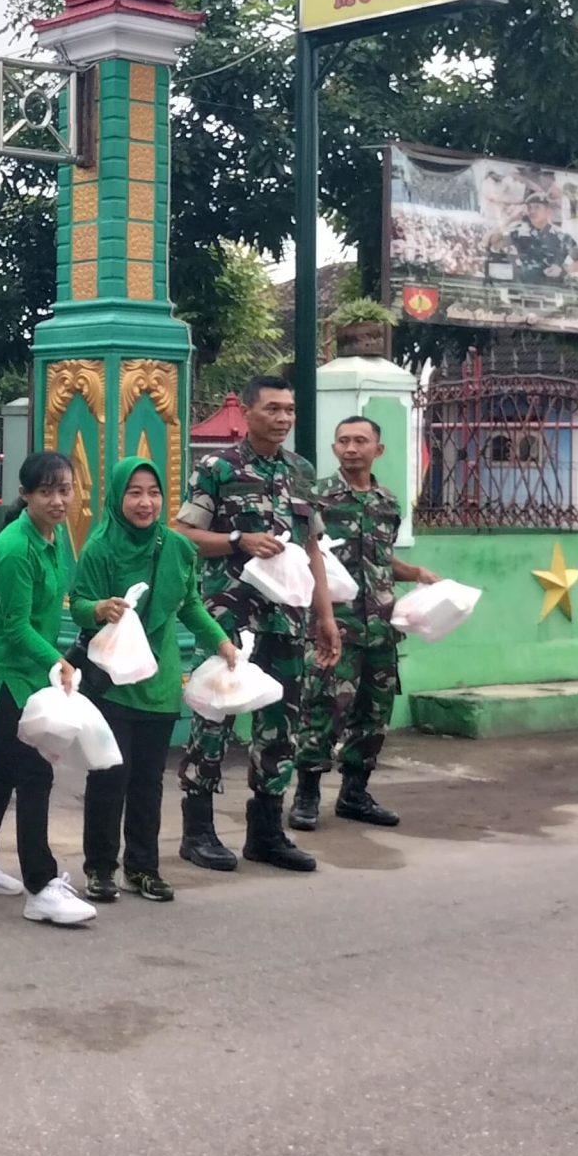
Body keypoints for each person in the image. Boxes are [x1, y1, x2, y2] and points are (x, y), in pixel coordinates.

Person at [173, 374, 342, 874]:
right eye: (273, 409)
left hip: (286, 619)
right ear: (248, 412)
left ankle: (266, 832)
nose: (284, 418)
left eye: (289, 409)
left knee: (281, 721)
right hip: (230, 616)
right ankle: (197, 830)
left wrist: (325, 616)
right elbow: (182, 532)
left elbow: (313, 548)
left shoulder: (301, 471)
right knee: (215, 716)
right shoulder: (218, 468)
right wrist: (236, 541)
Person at [69, 456, 238, 903]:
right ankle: (101, 867)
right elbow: (78, 604)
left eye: (154, 493)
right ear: (117, 496)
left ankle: (143, 868)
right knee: (110, 774)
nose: (146, 503)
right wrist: (98, 608)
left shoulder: (178, 548)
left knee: (147, 780)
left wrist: (222, 643)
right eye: (135, 493)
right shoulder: (100, 547)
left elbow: (190, 605)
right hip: (112, 678)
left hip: (158, 679)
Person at [0, 451, 94, 929]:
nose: (59, 500)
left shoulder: (53, 538)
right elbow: (14, 627)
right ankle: (41, 885)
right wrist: (56, 661)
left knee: (5, 770)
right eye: (47, 492)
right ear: (25, 495)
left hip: (30, 671)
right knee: (34, 773)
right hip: (7, 674)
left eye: (65, 489)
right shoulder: (15, 548)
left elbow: (54, 609)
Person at [292, 416, 439, 832]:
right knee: (322, 708)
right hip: (332, 625)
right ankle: (306, 795)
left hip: (380, 626)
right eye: (343, 441)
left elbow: (381, 560)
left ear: (379, 449)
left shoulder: (387, 502)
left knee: (374, 713)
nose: (351, 448)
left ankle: (355, 794)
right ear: (335, 448)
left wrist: (415, 572)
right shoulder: (317, 496)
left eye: (360, 441)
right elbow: (305, 553)